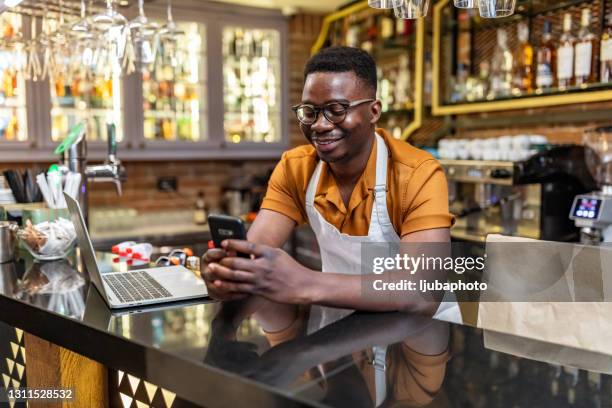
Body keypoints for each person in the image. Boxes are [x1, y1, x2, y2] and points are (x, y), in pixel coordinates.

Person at [202, 46, 455, 335]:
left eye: (336, 110)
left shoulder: (418, 173)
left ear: (374, 111)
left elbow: (420, 289)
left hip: (417, 337)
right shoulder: (296, 167)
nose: (320, 125)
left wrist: (306, 283)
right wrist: (230, 275)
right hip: (340, 329)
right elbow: (255, 254)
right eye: (309, 112)